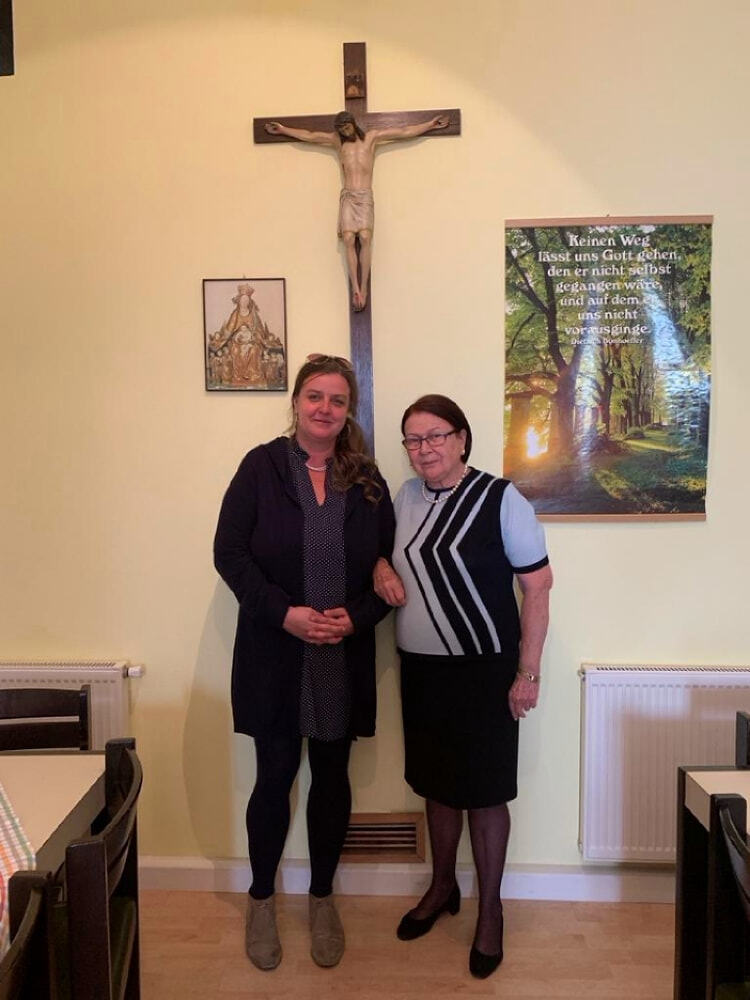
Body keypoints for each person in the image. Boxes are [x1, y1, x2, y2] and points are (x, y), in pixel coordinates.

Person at [214, 354, 395, 972]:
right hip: (275, 653)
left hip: (341, 658)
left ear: (348, 412)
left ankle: (322, 899)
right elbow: (229, 553)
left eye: (337, 400)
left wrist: (357, 617)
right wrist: (283, 613)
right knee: (274, 778)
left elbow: (388, 567)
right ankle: (261, 900)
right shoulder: (261, 468)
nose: (325, 408)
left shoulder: (366, 479)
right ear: (296, 402)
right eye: (315, 396)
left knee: (332, 779)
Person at [373, 394, 552, 979]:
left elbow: (538, 588)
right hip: (423, 671)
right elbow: (379, 554)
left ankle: (490, 909)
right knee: (437, 785)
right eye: (413, 439)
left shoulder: (501, 499)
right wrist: (379, 566)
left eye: (435, 436)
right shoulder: (404, 498)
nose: (423, 448)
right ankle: (442, 886)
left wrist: (528, 672)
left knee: (485, 792)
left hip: (486, 672)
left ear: (462, 439)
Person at [264, 111, 449, 311]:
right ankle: (355, 287)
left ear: (353, 123)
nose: (345, 132)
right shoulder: (338, 141)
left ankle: (364, 287)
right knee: (349, 239)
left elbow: (404, 131)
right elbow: (310, 135)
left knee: (366, 237)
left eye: (347, 127)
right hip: (348, 196)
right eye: (342, 129)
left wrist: (430, 125)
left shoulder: (371, 138)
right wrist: (283, 129)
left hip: (364, 195)